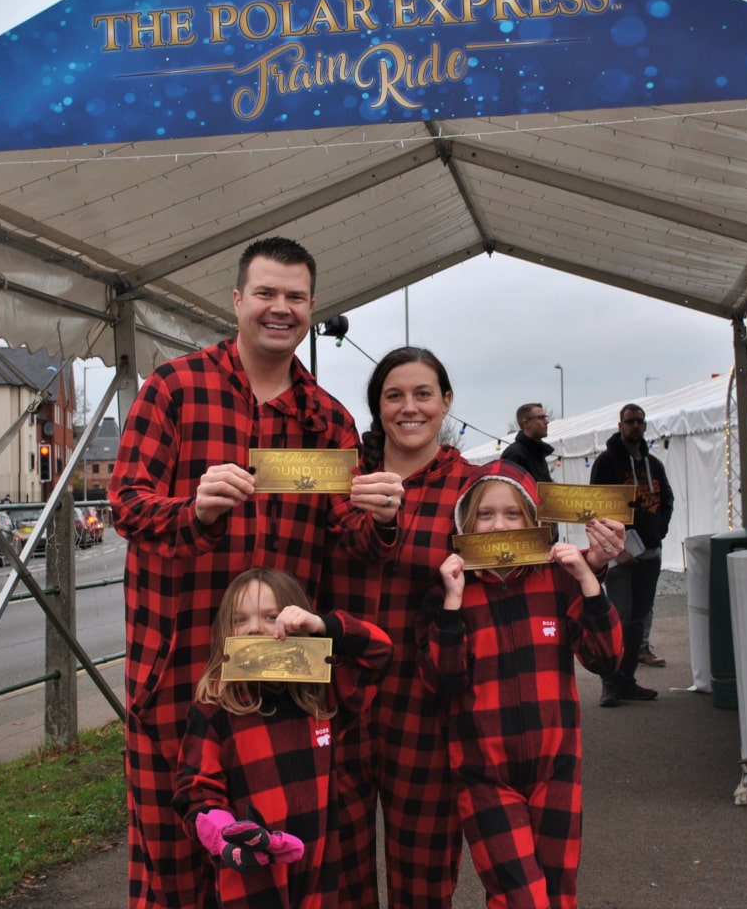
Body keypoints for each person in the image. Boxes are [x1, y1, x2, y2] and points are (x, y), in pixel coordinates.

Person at [109, 237, 403, 909]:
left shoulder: (327, 418)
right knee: (176, 857)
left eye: (295, 297)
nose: (281, 308)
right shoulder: (175, 389)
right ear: (237, 300)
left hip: (281, 666)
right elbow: (125, 503)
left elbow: (345, 537)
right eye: (266, 293)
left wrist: (379, 516)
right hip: (181, 661)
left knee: (277, 855)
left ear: (311, 306)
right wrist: (193, 510)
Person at [328, 348, 625, 909]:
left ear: (446, 403)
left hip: (429, 707)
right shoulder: (348, 486)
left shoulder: (478, 486)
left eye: (423, 394)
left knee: (423, 880)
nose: (409, 407)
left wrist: (598, 558)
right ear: (376, 407)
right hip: (341, 700)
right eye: (394, 395)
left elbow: (527, 551)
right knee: (338, 875)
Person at [416, 461, 623, 909]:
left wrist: (589, 581)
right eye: (485, 515)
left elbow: (605, 659)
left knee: (558, 896)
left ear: (534, 521)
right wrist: (451, 604)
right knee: (521, 899)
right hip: (484, 776)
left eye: (513, 514)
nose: (499, 525)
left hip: (557, 769)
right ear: (465, 523)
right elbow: (442, 679)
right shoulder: (449, 592)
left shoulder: (557, 581)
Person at [174, 568, 393, 909]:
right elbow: (195, 792)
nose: (255, 628)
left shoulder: (321, 695)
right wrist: (225, 836)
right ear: (224, 633)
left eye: (271, 616)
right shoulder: (214, 708)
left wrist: (322, 626)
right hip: (250, 875)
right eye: (240, 619)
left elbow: (379, 651)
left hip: (318, 871)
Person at [590, 403, 674, 706]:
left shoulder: (654, 464)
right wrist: (616, 549)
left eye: (640, 421)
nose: (635, 426)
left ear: (645, 426)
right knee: (618, 620)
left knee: (638, 620)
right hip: (619, 559)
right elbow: (594, 510)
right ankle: (610, 683)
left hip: (649, 554)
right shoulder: (607, 463)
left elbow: (667, 499)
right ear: (620, 425)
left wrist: (659, 531)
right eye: (630, 421)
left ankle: (628, 680)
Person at [501, 402, 558, 540]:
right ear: (526, 423)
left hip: (545, 528)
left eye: (546, 417)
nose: (547, 421)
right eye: (541, 418)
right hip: (527, 534)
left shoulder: (537, 452)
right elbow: (509, 497)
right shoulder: (514, 454)